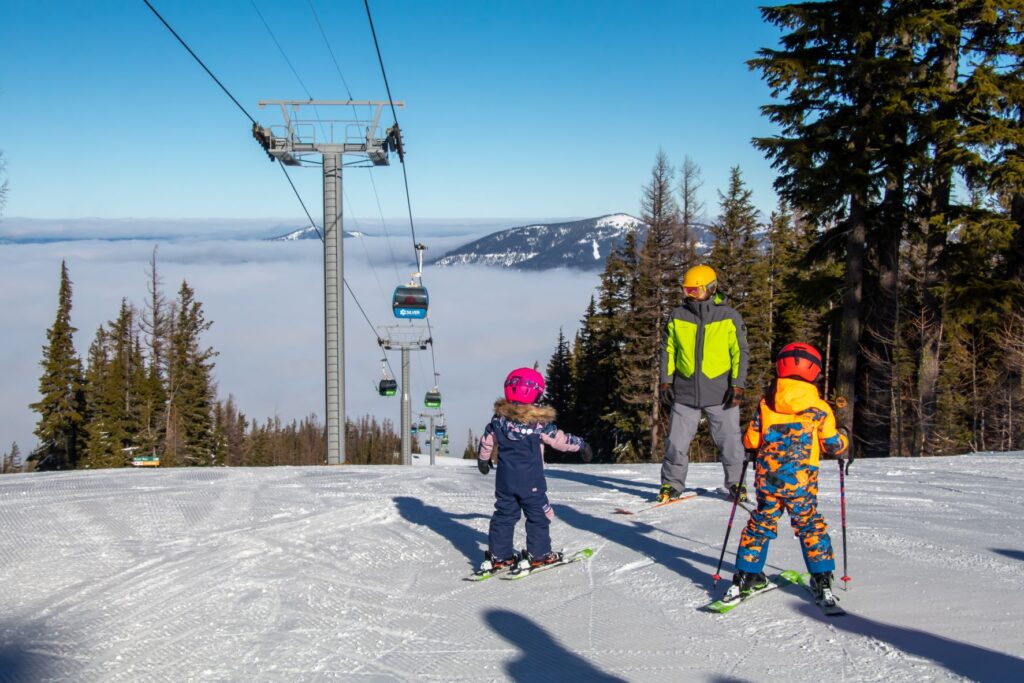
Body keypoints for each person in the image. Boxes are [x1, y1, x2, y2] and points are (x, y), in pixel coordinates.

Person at [724, 342, 849, 605]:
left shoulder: (767, 404)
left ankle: (747, 576)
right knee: (809, 524)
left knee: (761, 522)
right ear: (813, 371)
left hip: (767, 480)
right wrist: (846, 440)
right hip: (802, 482)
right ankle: (822, 579)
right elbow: (833, 445)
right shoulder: (819, 407)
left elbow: (750, 440)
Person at [477, 367, 593, 573]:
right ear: (532, 394)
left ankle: (500, 556)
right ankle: (539, 554)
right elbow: (560, 441)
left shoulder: (498, 422)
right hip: (531, 482)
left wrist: (483, 461)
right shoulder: (539, 425)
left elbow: (486, 442)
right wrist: (581, 445)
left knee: (504, 515)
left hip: (505, 482)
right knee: (538, 515)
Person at [658, 264, 749, 503]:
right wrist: (666, 382)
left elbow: (740, 352)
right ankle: (671, 485)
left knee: (730, 442)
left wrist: (738, 385)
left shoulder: (728, 317)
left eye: (693, 291)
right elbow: (668, 350)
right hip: (685, 392)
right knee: (676, 444)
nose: (689, 295)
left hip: (721, 393)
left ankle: (736, 485)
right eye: (686, 290)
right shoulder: (678, 316)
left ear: (710, 289)